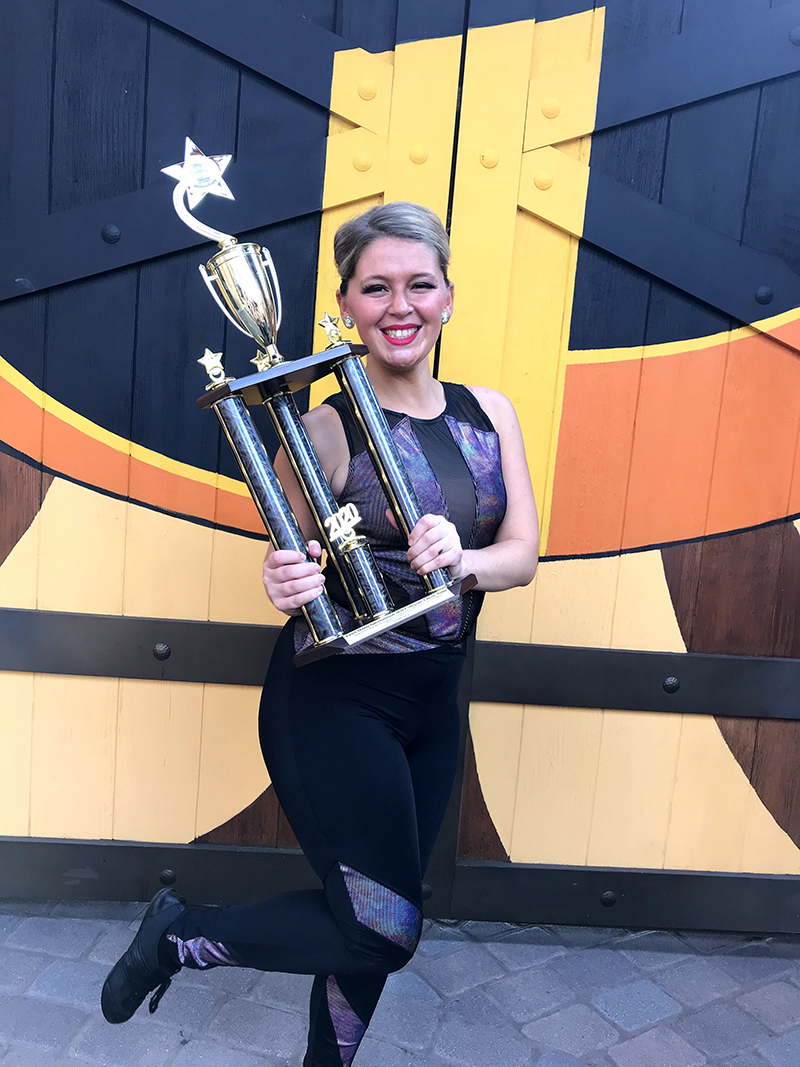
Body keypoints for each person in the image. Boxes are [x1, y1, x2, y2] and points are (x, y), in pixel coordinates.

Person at [101, 202, 539, 1065]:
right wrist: (282, 580)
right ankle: (180, 936)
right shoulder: (325, 431)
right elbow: (290, 558)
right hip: (336, 702)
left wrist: (465, 560)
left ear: (449, 297)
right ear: (346, 306)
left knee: (371, 916)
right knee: (384, 930)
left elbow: (522, 553)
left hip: (434, 701)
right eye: (376, 288)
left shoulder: (490, 414)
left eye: (420, 284)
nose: (400, 305)